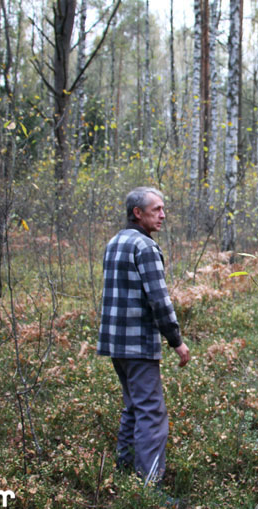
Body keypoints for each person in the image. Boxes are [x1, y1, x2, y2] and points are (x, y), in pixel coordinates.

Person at [97, 186, 190, 485]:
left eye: (163, 209)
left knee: (133, 406)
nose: (163, 215)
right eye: (156, 210)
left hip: (115, 343)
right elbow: (159, 301)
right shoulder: (145, 247)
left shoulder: (115, 242)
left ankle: (124, 468)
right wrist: (177, 341)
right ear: (138, 213)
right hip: (137, 345)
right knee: (151, 413)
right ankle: (149, 484)